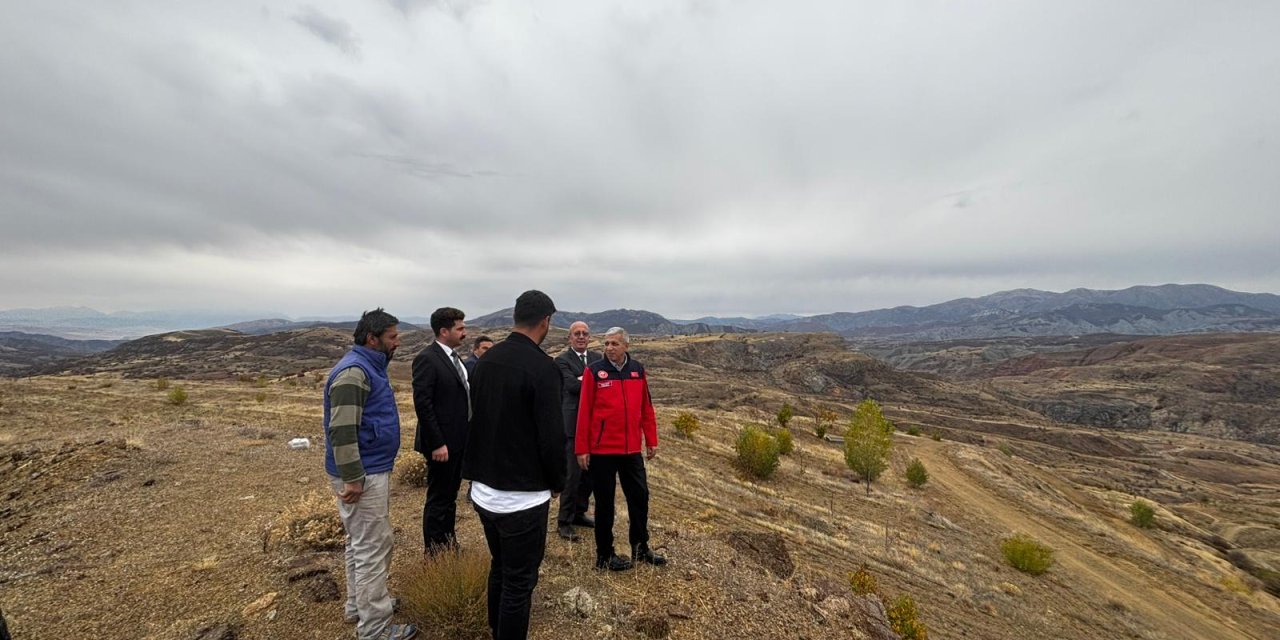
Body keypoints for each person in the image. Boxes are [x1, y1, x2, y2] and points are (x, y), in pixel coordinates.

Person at [462, 290, 566, 640]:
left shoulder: (486, 360)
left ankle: (496, 629)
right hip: (522, 498)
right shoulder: (544, 368)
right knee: (519, 583)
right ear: (545, 321)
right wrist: (557, 481)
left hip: (483, 490)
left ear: (515, 317)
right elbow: (551, 437)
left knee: (500, 567)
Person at [324, 308, 418, 640]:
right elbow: (342, 430)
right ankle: (375, 628)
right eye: (392, 337)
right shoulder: (354, 372)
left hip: (367, 469)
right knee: (373, 547)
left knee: (360, 543)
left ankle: (358, 606)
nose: (398, 342)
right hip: (363, 473)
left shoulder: (369, 367)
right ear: (372, 339)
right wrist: (353, 477)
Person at [575, 327, 667, 571]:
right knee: (605, 504)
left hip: (631, 450)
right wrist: (582, 448)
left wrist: (651, 439)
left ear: (626, 345)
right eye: (606, 344)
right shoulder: (594, 371)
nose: (609, 348)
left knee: (640, 497)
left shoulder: (637, 370)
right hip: (602, 451)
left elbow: (646, 407)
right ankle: (604, 555)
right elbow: (584, 412)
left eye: (614, 344)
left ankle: (640, 546)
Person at [411, 307, 471, 553]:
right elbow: (423, 405)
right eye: (460, 328)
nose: (465, 332)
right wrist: (437, 443)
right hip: (441, 445)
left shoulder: (455, 359)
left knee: (450, 496)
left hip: (457, 441)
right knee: (439, 498)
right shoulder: (427, 358)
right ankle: (435, 553)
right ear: (444, 331)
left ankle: (449, 544)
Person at [552, 321, 599, 541]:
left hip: (594, 424)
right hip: (572, 424)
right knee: (572, 475)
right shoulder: (561, 360)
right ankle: (564, 521)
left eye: (585, 333)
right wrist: (591, 381)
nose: (581, 337)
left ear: (589, 337)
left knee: (589, 475)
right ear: (569, 338)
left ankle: (579, 513)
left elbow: (604, 385)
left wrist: (582, 379)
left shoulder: (598, 358)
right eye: (577, 333)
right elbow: (571, 386)